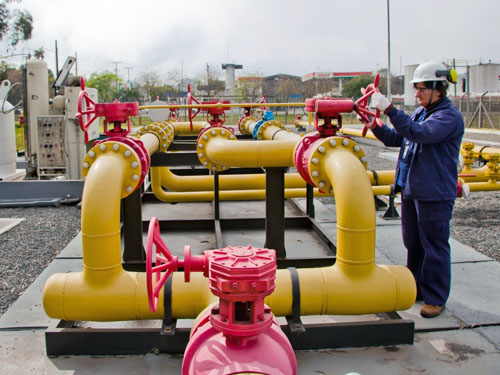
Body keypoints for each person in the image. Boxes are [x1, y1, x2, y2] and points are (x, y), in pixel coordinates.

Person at [366, 61, 464, 318]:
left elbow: (419, 134)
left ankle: (436, 297)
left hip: (434, 193)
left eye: (421, 89)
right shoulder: (422, 113)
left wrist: (389, 108)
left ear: (438, 89)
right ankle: (417, 289)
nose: (417, 94)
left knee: (434, 245)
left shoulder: (447, 117)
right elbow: (398, 138)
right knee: (414, 243)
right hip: (413, 190)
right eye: (416, 88)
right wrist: (375, 125)